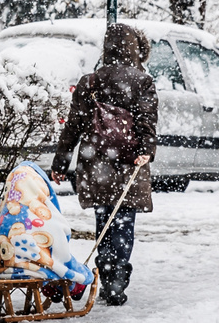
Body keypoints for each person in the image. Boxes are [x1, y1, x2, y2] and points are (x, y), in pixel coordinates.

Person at [52, 22, 157, 306]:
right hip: (128, 163)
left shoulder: (90, 82)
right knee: (123, 224)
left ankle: (106, 269)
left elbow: (72, 127)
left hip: (96, 165)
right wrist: (146, 150)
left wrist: (61, 163)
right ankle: (116, 282)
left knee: (105, 220)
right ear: (136, 50)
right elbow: (147, 123)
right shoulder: (142, 82)